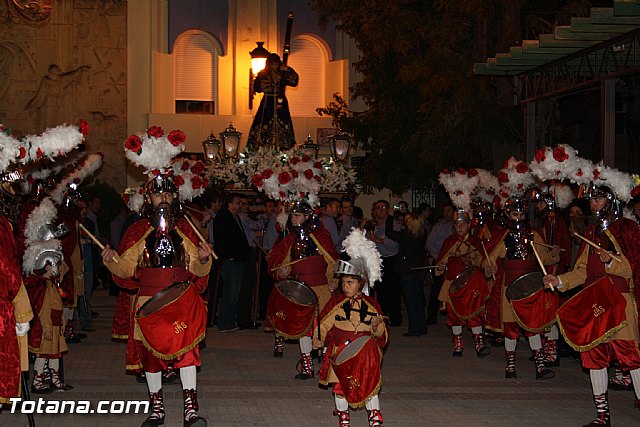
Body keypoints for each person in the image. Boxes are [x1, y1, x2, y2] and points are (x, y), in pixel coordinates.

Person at [102, 173, 213, 427]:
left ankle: (190, 410)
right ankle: (156, 409)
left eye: (167, 194)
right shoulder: (137, 230)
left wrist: (204, 259)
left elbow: (197, 267)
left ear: (174, 197)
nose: (162, 198)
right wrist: (111, 261)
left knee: (187, 353)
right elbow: (127, 269)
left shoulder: (187, 227)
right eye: (157, 194)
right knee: (151, 357)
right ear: (148, 199)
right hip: (148, 303)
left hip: (181, 299)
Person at [543, 184, 640, 426]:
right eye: (592, 200)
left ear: (610, 201)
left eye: (598, 199)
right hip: (595, 300)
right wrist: (559, 280)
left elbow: (633, 269)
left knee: (631, 356)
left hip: (619, 300)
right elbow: (582, 270)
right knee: (594, 355)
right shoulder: (591, 231)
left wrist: (611, 263)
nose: (594, 204)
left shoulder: (627, 229)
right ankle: (602, 415)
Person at [483, 196, 556, 380]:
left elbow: (544, 258)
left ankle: (540, 366)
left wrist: (554, 255)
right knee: (510, 328)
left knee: (533, 326)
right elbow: (488, 260)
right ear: (507, 214)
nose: (519, 217)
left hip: (531, 286)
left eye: (522, 214)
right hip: (510, 287)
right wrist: (488, 267)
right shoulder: (502, 236)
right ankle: (510, 365)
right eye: (515, 214)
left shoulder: (534, 234)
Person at [267, 201, 338, 378]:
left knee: (325, 327)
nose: (293, 218)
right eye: (292, 215)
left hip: (321, 288)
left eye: (297, 215)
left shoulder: (321, 236)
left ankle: (327, 363)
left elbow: (332, 262)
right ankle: (307, 365)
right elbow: (281, 266)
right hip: (300, 290)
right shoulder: (290, 239)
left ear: (307, 217)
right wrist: (283, 272)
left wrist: (333, 281)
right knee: (303, 328)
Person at [316, 254, 387, 427]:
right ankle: (343, 417)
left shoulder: (371, 305)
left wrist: (376, 326)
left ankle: (374, 416)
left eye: (350, 283)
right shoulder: (337, 303)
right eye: (343, 283)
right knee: (339, 386)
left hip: (363, 355)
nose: (346, 287)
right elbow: (323, 324)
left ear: (361, 284)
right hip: (340, 351)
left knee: (368, 383)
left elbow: (381, 335)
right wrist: (318, 338)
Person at [436, 209, 489, 357]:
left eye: (463, 224)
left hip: (471, 282)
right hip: (453, 282)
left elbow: (483, 261)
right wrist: (441, 265)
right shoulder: (450, 242)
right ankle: (458, 343)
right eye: (457, 224)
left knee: (475, 313)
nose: (460, 227)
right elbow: (441, 262)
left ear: (469, 226)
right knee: (454, 315)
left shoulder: (475, 241)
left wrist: (474, 257)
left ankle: (479, 342)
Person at [385, 212, 429, 336]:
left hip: (407, 270)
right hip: (420, 268)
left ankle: (414, 329)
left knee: (410, 300)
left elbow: (389, 232)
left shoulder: (405, 235)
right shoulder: (422, 234)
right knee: (418, 299)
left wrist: (390, 217)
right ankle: (422, 327)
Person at [214, 193, 250, 333]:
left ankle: (229, 320)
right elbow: (224, 240)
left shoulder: (234, 217)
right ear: (229, 204)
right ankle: (225, 322)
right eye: (237, 203)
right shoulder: (223, 218)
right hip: (230, 260)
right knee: (230, 292)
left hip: (237, 259)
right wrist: (229, 256)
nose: (239, 205)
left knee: (234, 292)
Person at [247, 53, 299, 150]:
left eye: (276, 63)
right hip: (267, 102)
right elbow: (257, 88)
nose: (275, 65)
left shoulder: (283, 73)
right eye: (273, 63)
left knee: (283, 124)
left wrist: (288, 69)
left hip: (280, 102)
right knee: (264, 124)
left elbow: (294, 81)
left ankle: (285, 148)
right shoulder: (263, 74)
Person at [367, 200, 401, 327]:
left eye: (383, 207)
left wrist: (377, 240)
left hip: (390, 260)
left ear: (388, 210)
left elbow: (394, 245)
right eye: (377, 208)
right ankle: (382, 318)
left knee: (393, 291)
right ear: (373, 210)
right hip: (375, 261)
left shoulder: (393, 224)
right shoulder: (371, 224)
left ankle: (395, 318)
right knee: (379, 292)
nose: (380, 210)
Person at [426, 202, 455, 324]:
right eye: (445, 210)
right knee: (436, 289)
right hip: (441, 262)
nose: (446, 213)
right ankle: (431, 316)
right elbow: (430, 243)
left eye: (449, 210)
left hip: (455, 263)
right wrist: (439, 258)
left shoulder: (457, 225)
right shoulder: (439, 226)